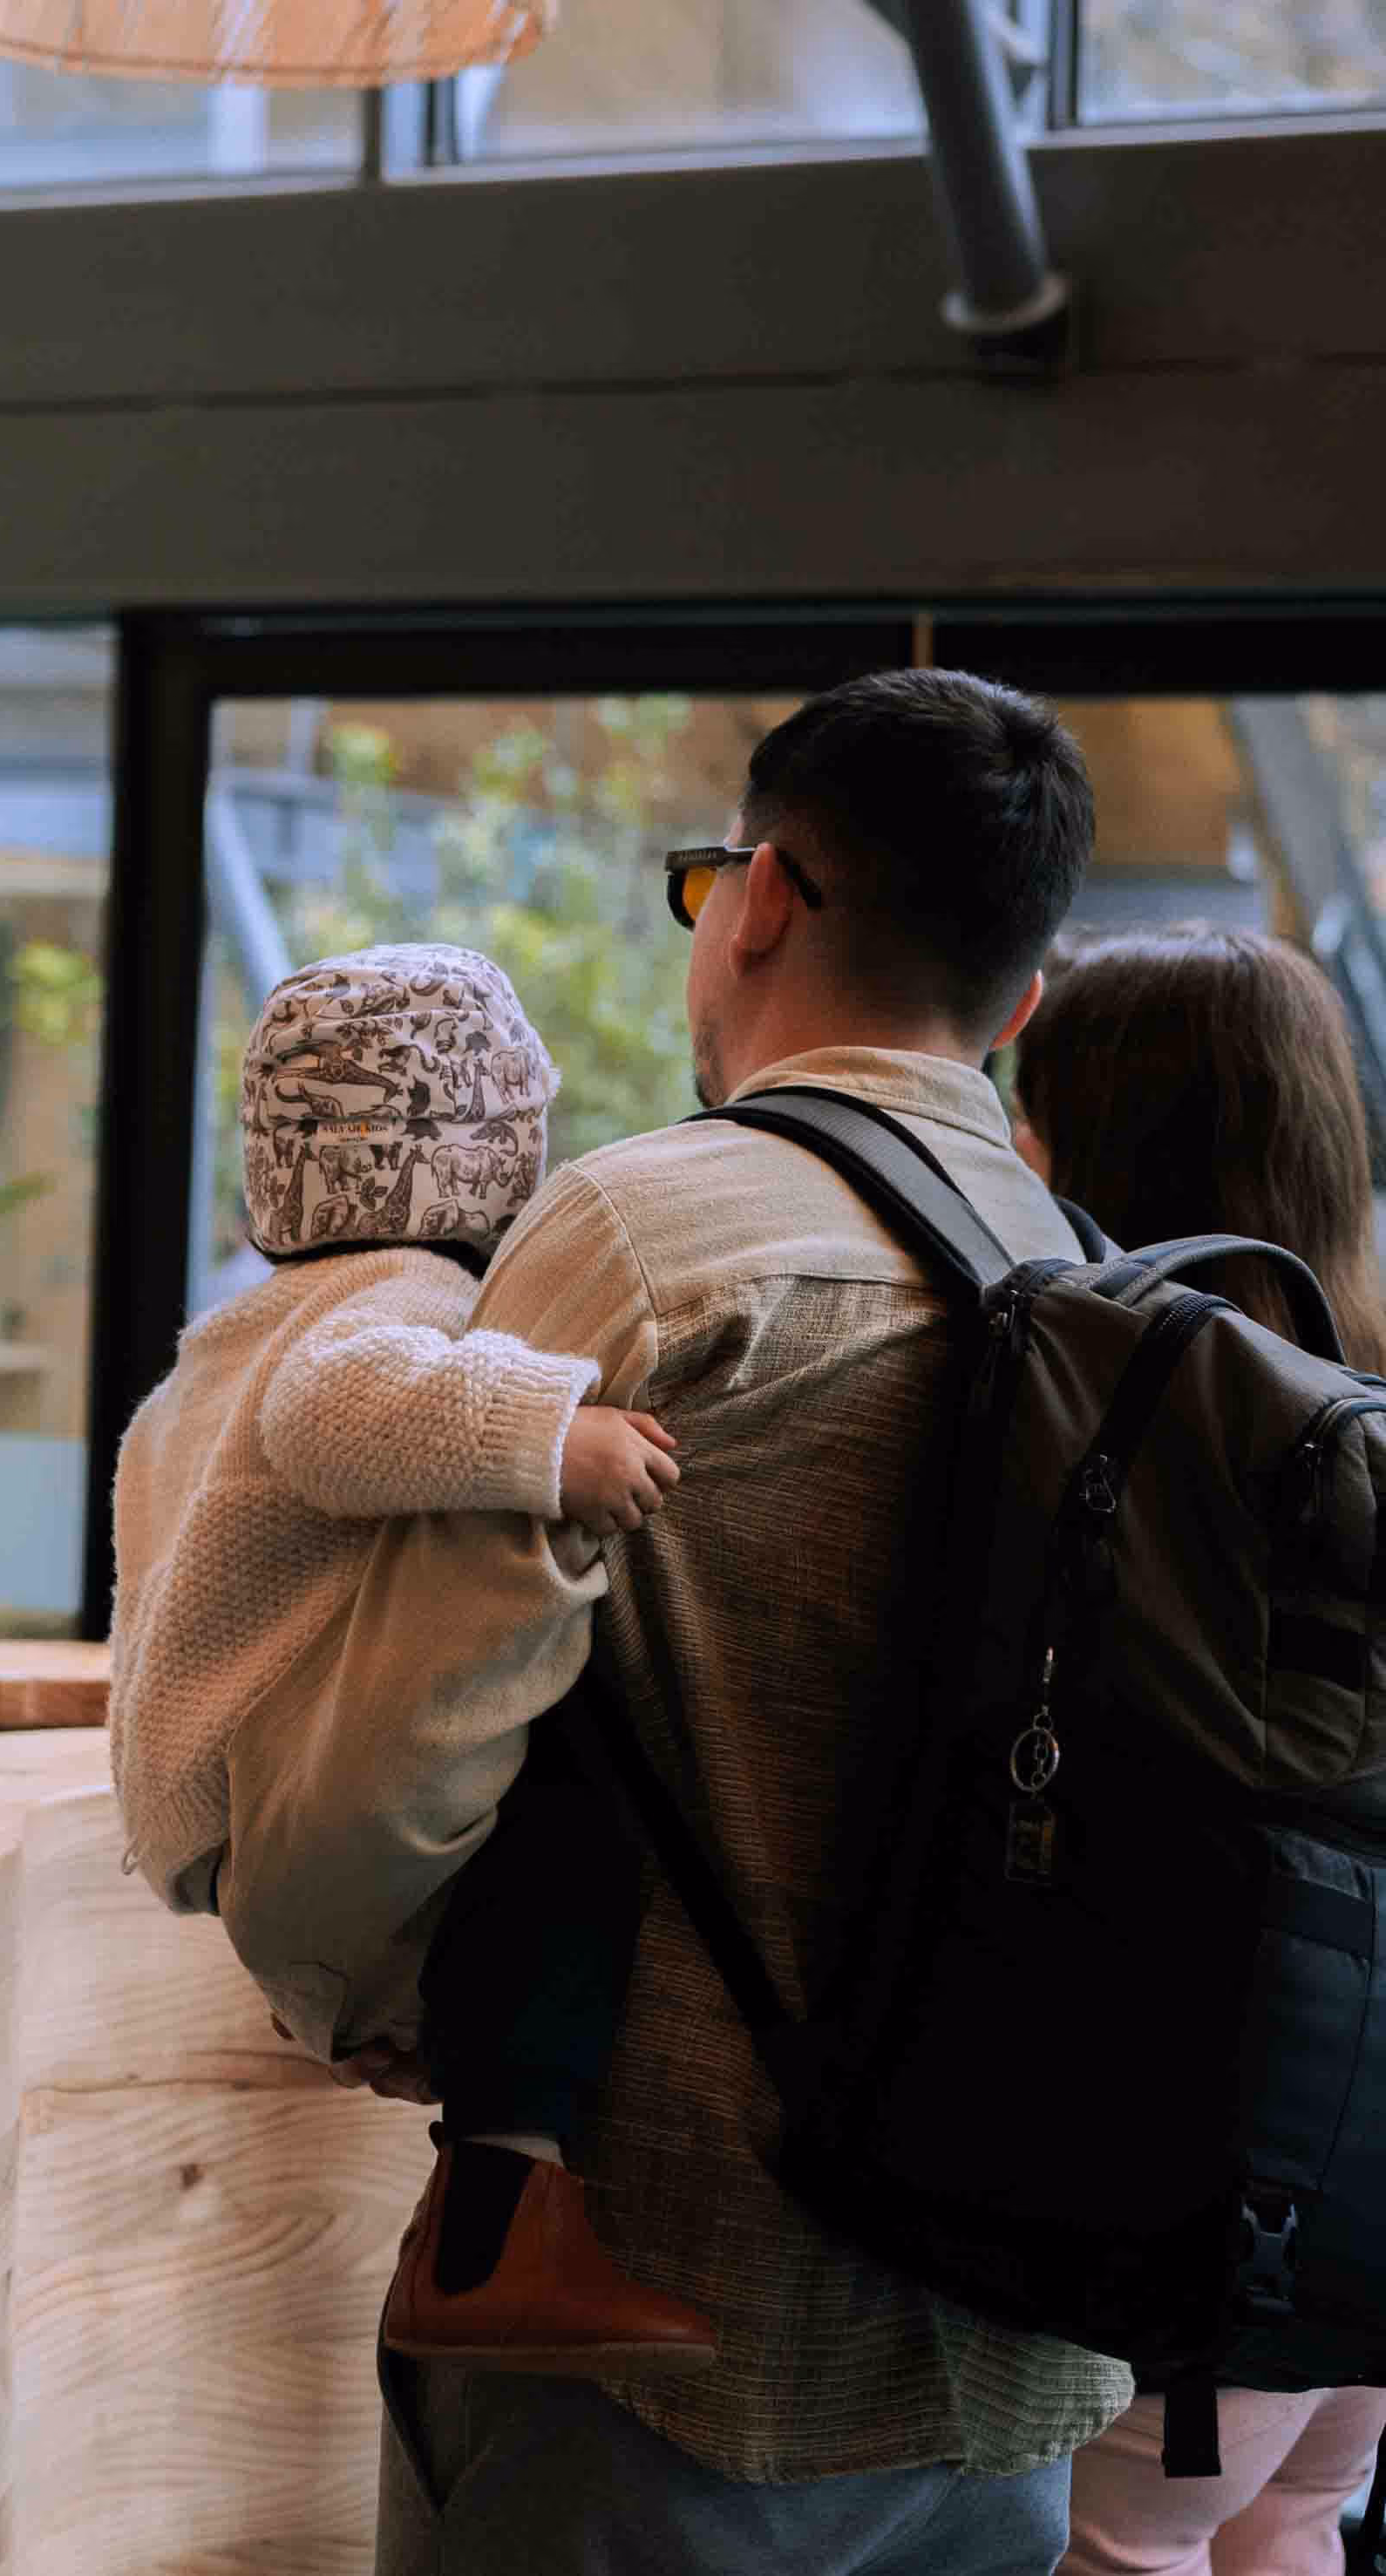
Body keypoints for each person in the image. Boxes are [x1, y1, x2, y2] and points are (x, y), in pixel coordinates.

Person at [204, 669, 1129, 2575]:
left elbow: (402, 1755)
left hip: (652, 2318)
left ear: (765, 899)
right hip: (1014, 2343)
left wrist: (374, 2013)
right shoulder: (1098, 1279)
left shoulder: (649, 1231)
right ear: (1022, 1000)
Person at [112, 940, 715, 2375]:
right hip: (286, 1773)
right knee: (572, 1789)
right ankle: (508, 2207)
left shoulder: (228, 1341)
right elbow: (341, 1414)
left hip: (216, 1811)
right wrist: (549, 1438)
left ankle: (482, 2150)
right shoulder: (391, 1301)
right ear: (494, 1156)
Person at [1009, 925, 1386, 2576]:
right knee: (1294, 2521)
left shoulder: (1123, 1412)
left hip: (1193, 2174)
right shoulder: (1364, 1387)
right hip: (1365, 2152)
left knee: (1124, 2549)